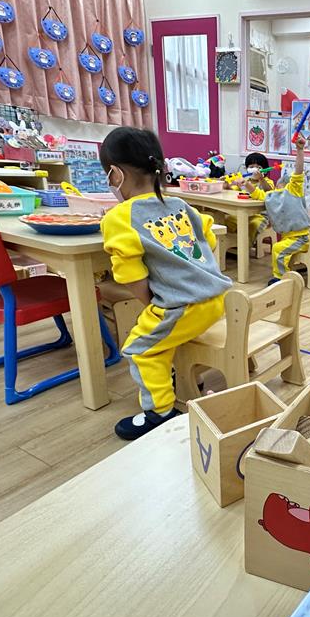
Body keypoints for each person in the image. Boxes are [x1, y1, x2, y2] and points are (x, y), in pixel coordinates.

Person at [99, 127, 232, 440]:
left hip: (183, 305)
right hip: (216, 298)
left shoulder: (119, 217)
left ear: (115, 174)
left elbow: (131, 276)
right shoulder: (181, 205)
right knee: (164, 336)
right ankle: (176, 377)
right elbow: (209, 239)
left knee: (139, 349)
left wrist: (155, 305)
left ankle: (160, 413)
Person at [245, 139, 310, 285]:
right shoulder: (272, 195)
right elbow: (257, 193)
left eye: (282, 187)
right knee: (279, 248)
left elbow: (298, 171)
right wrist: (245, 183)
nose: (279, 190)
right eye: (278, 187)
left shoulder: (293, 189)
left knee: (278, 249)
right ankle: (283, 274)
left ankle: (280, 279)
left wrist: (300, 150)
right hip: (290, 237)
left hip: (302, 237)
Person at [223, 152, 275, 246]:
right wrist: (227, 186)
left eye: (259, 167)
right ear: (247, 169)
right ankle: (230, 243)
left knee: (254, 224)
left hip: (260, 215)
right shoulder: (245, 180)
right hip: (242, 213)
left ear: (265, 169)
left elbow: (269, 191)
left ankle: (246, 245)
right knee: (228, 219)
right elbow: (235, 191)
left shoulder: (267, 181)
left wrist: (261, 179)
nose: (255, 169)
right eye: (251, 166)